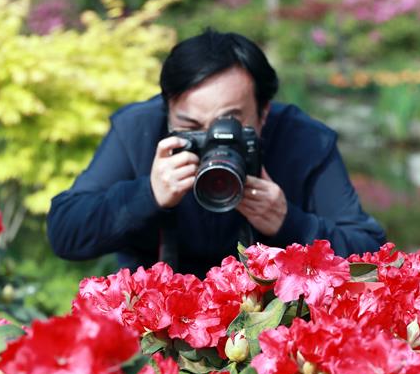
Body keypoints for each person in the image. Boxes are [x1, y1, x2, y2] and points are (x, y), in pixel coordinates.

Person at [47, 29, 386, 278]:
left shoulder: (304, 140)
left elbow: (372, 255)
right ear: (166, 109)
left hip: (275, 323)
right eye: (191, 125)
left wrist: (291, 223)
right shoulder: (139, 129)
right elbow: (65, 233)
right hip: (156, 324)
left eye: (228, 125)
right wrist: (147, 195)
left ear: (264, 113)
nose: (211, 142)